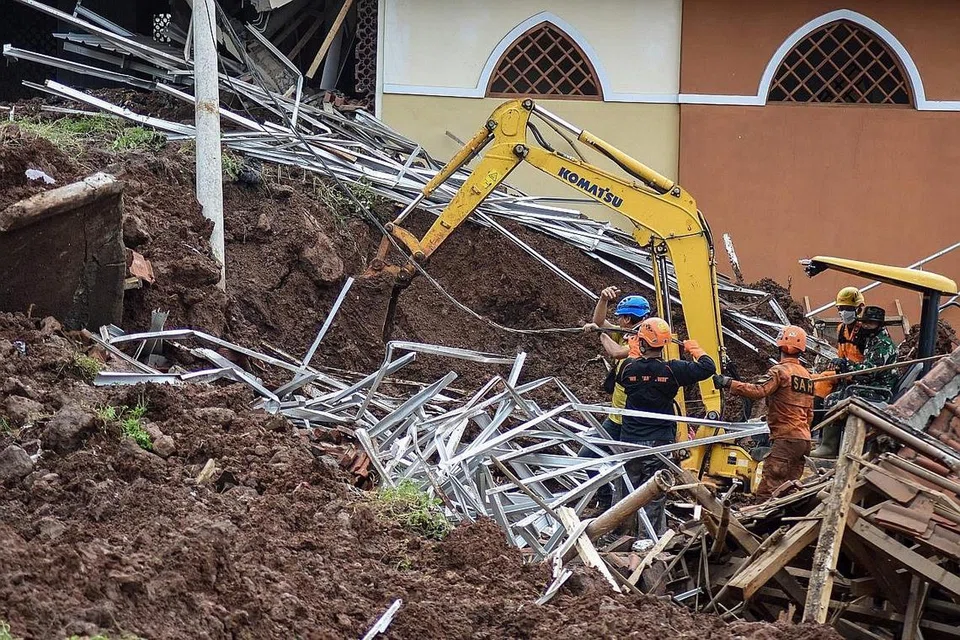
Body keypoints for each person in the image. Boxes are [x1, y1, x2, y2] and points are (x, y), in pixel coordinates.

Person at [618, 317, 716, 534]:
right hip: (660, 442)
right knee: (655, 492)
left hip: (630, 440)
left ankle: (621, 534)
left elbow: (615, 382)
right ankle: (649, 538)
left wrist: (633, 355)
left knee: (628, 490)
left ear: (641, 342)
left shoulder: (627, 368)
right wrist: (696, 350)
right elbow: (708, 367)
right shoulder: (673, 370)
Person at [713, 325, 814, 498]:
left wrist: (729, 383)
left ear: (780, 346)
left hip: (786, 439)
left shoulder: (780, 371)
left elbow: (758, 391)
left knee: (768, 490)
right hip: (803, 441)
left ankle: (757, 524)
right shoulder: (806, 375)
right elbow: (810, 413)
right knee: (789, 492)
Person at [580, 287, 651, 509]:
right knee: (588, 455)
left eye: (620, 317)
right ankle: (605, 498)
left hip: (633, 422)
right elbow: (600, 320)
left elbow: (617, 352)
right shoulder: (628, 332)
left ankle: (622, 508)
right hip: (616, 417)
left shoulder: (646, 339)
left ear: (628, 318)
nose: (618, 320)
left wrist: (599, 333)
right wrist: (602, 299)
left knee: (628, 470)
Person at [813, 305, 899, 457]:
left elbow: (869, 371)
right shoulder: (872, 340)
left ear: (878, 325)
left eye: (869, 323)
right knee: (835, 391)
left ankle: (829, 447)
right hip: (871, 385)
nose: (865, 326)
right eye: (864, 323)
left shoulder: (883, 345)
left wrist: (847, 366)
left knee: (834, 399)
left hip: (878, 390)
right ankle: (829, 443)